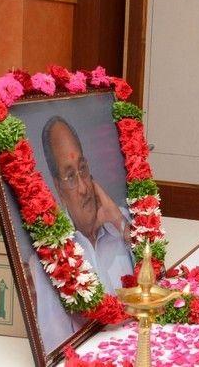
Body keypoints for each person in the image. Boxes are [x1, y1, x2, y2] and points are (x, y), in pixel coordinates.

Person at [28, 115, 133, 352]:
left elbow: (158, 281)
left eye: (83, 169)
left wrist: (119, 223)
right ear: (57, 187)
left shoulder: (124, 223)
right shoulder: (50, 260)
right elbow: (58, 349)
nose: (84, 188)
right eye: (70, 176)